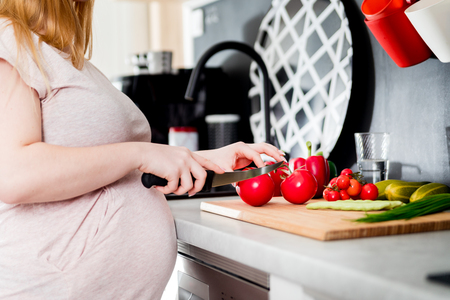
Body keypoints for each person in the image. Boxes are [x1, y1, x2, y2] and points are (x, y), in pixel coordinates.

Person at [0, 0, 284, 299]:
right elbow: (13, 173)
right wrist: (141, 153)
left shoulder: (64, 55)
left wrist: (201, 160)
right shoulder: (10, 38)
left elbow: (103, 162)